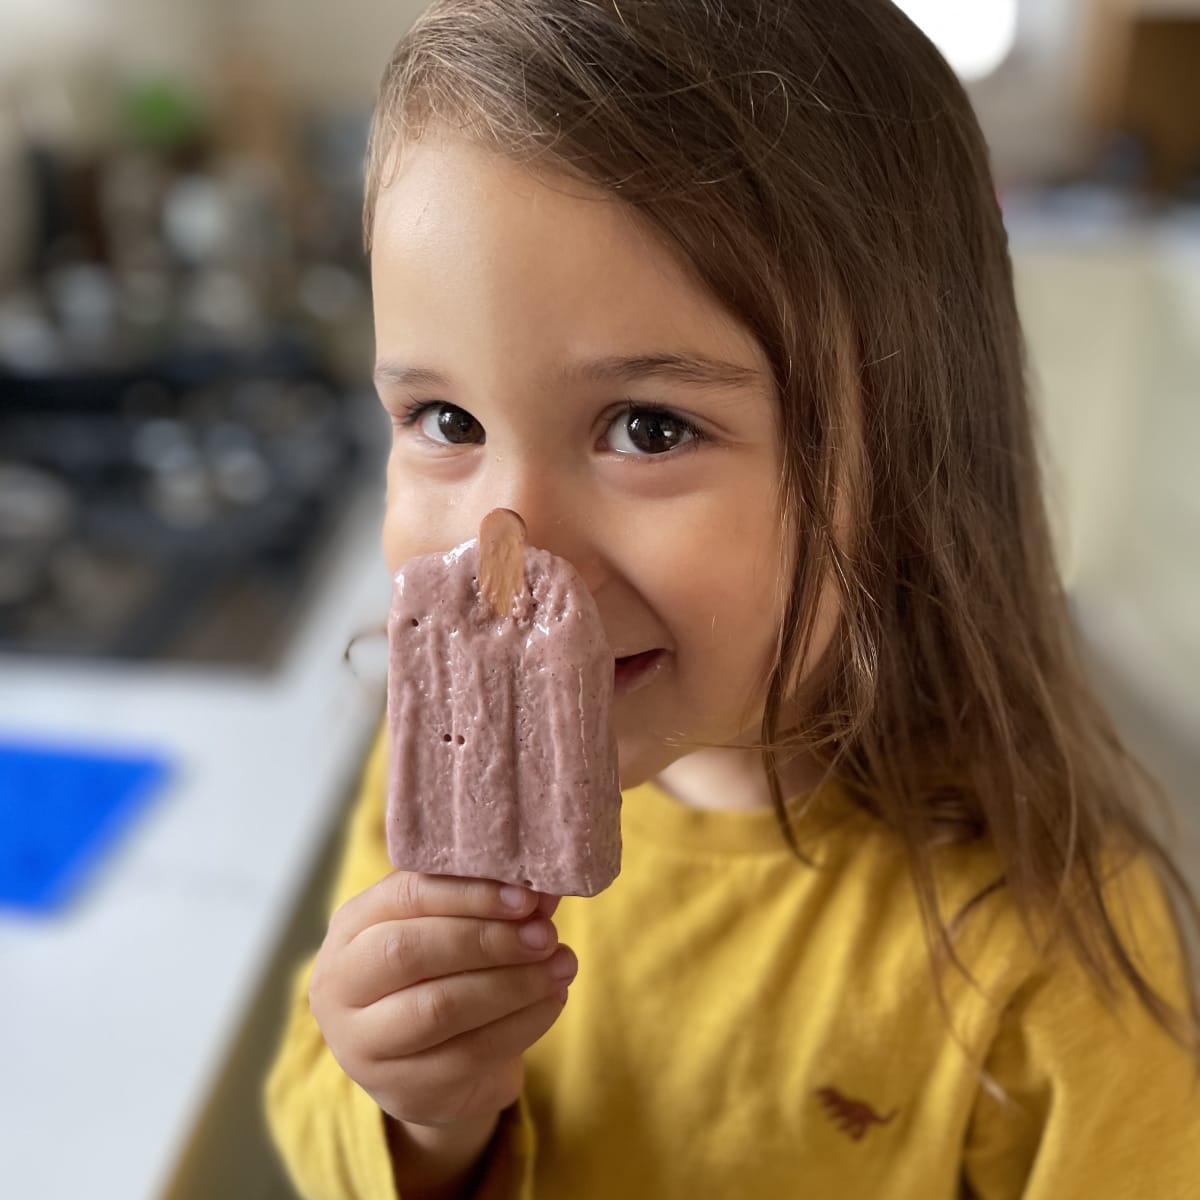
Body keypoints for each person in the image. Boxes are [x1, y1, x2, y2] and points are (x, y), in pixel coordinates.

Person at [264, 1, 1200, 1196]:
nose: (512, 555)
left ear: (912, 459)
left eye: (648, 429)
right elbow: (319, 1117)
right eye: (446, 421)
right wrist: (424, 1117)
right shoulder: (436, 759)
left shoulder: (1041, 944)